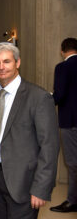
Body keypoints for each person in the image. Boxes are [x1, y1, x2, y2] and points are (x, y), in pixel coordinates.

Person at [0, 42, 59, 219]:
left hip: (24, 181)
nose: (1, 67)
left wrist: (41, 188)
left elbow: (49, 146)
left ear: (18, 62)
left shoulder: (39, 97)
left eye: (6, 61)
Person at [50, 37, 77, 213]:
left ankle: (72, 201)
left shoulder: (63, 67)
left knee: (73, 163)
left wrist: (48, 98)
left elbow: (59, 95)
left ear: (62, 50)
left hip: (71, 120)